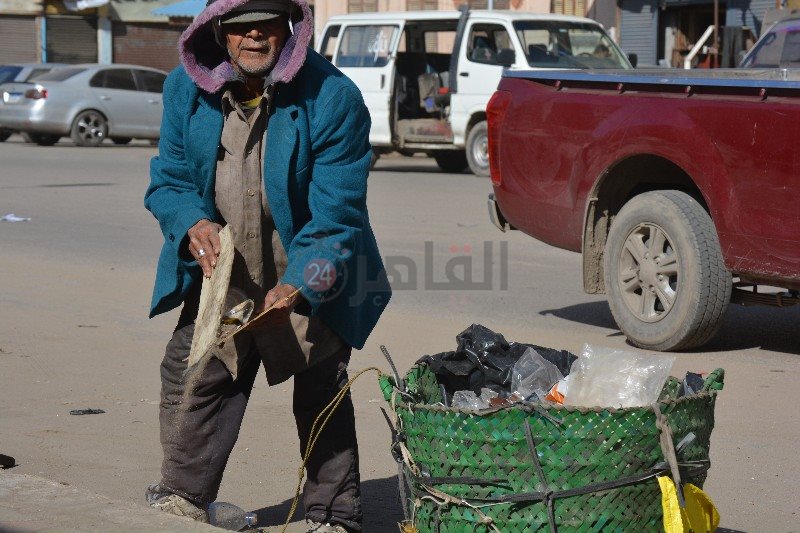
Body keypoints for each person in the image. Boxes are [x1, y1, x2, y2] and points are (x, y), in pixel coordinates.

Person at [143, 1, 391, 531]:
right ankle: (185, 494)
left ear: (290, 29)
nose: (254, 33)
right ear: (217, 32)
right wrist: (192, 222)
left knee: (321, 380)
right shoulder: (184, 91)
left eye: (268, 21)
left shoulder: (333, 98)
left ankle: (333, 512)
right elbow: (168, 181)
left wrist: (299, 284)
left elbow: (338, 221)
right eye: (240, 24)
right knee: (197, 374)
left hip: (316, 269)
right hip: (224, 273)